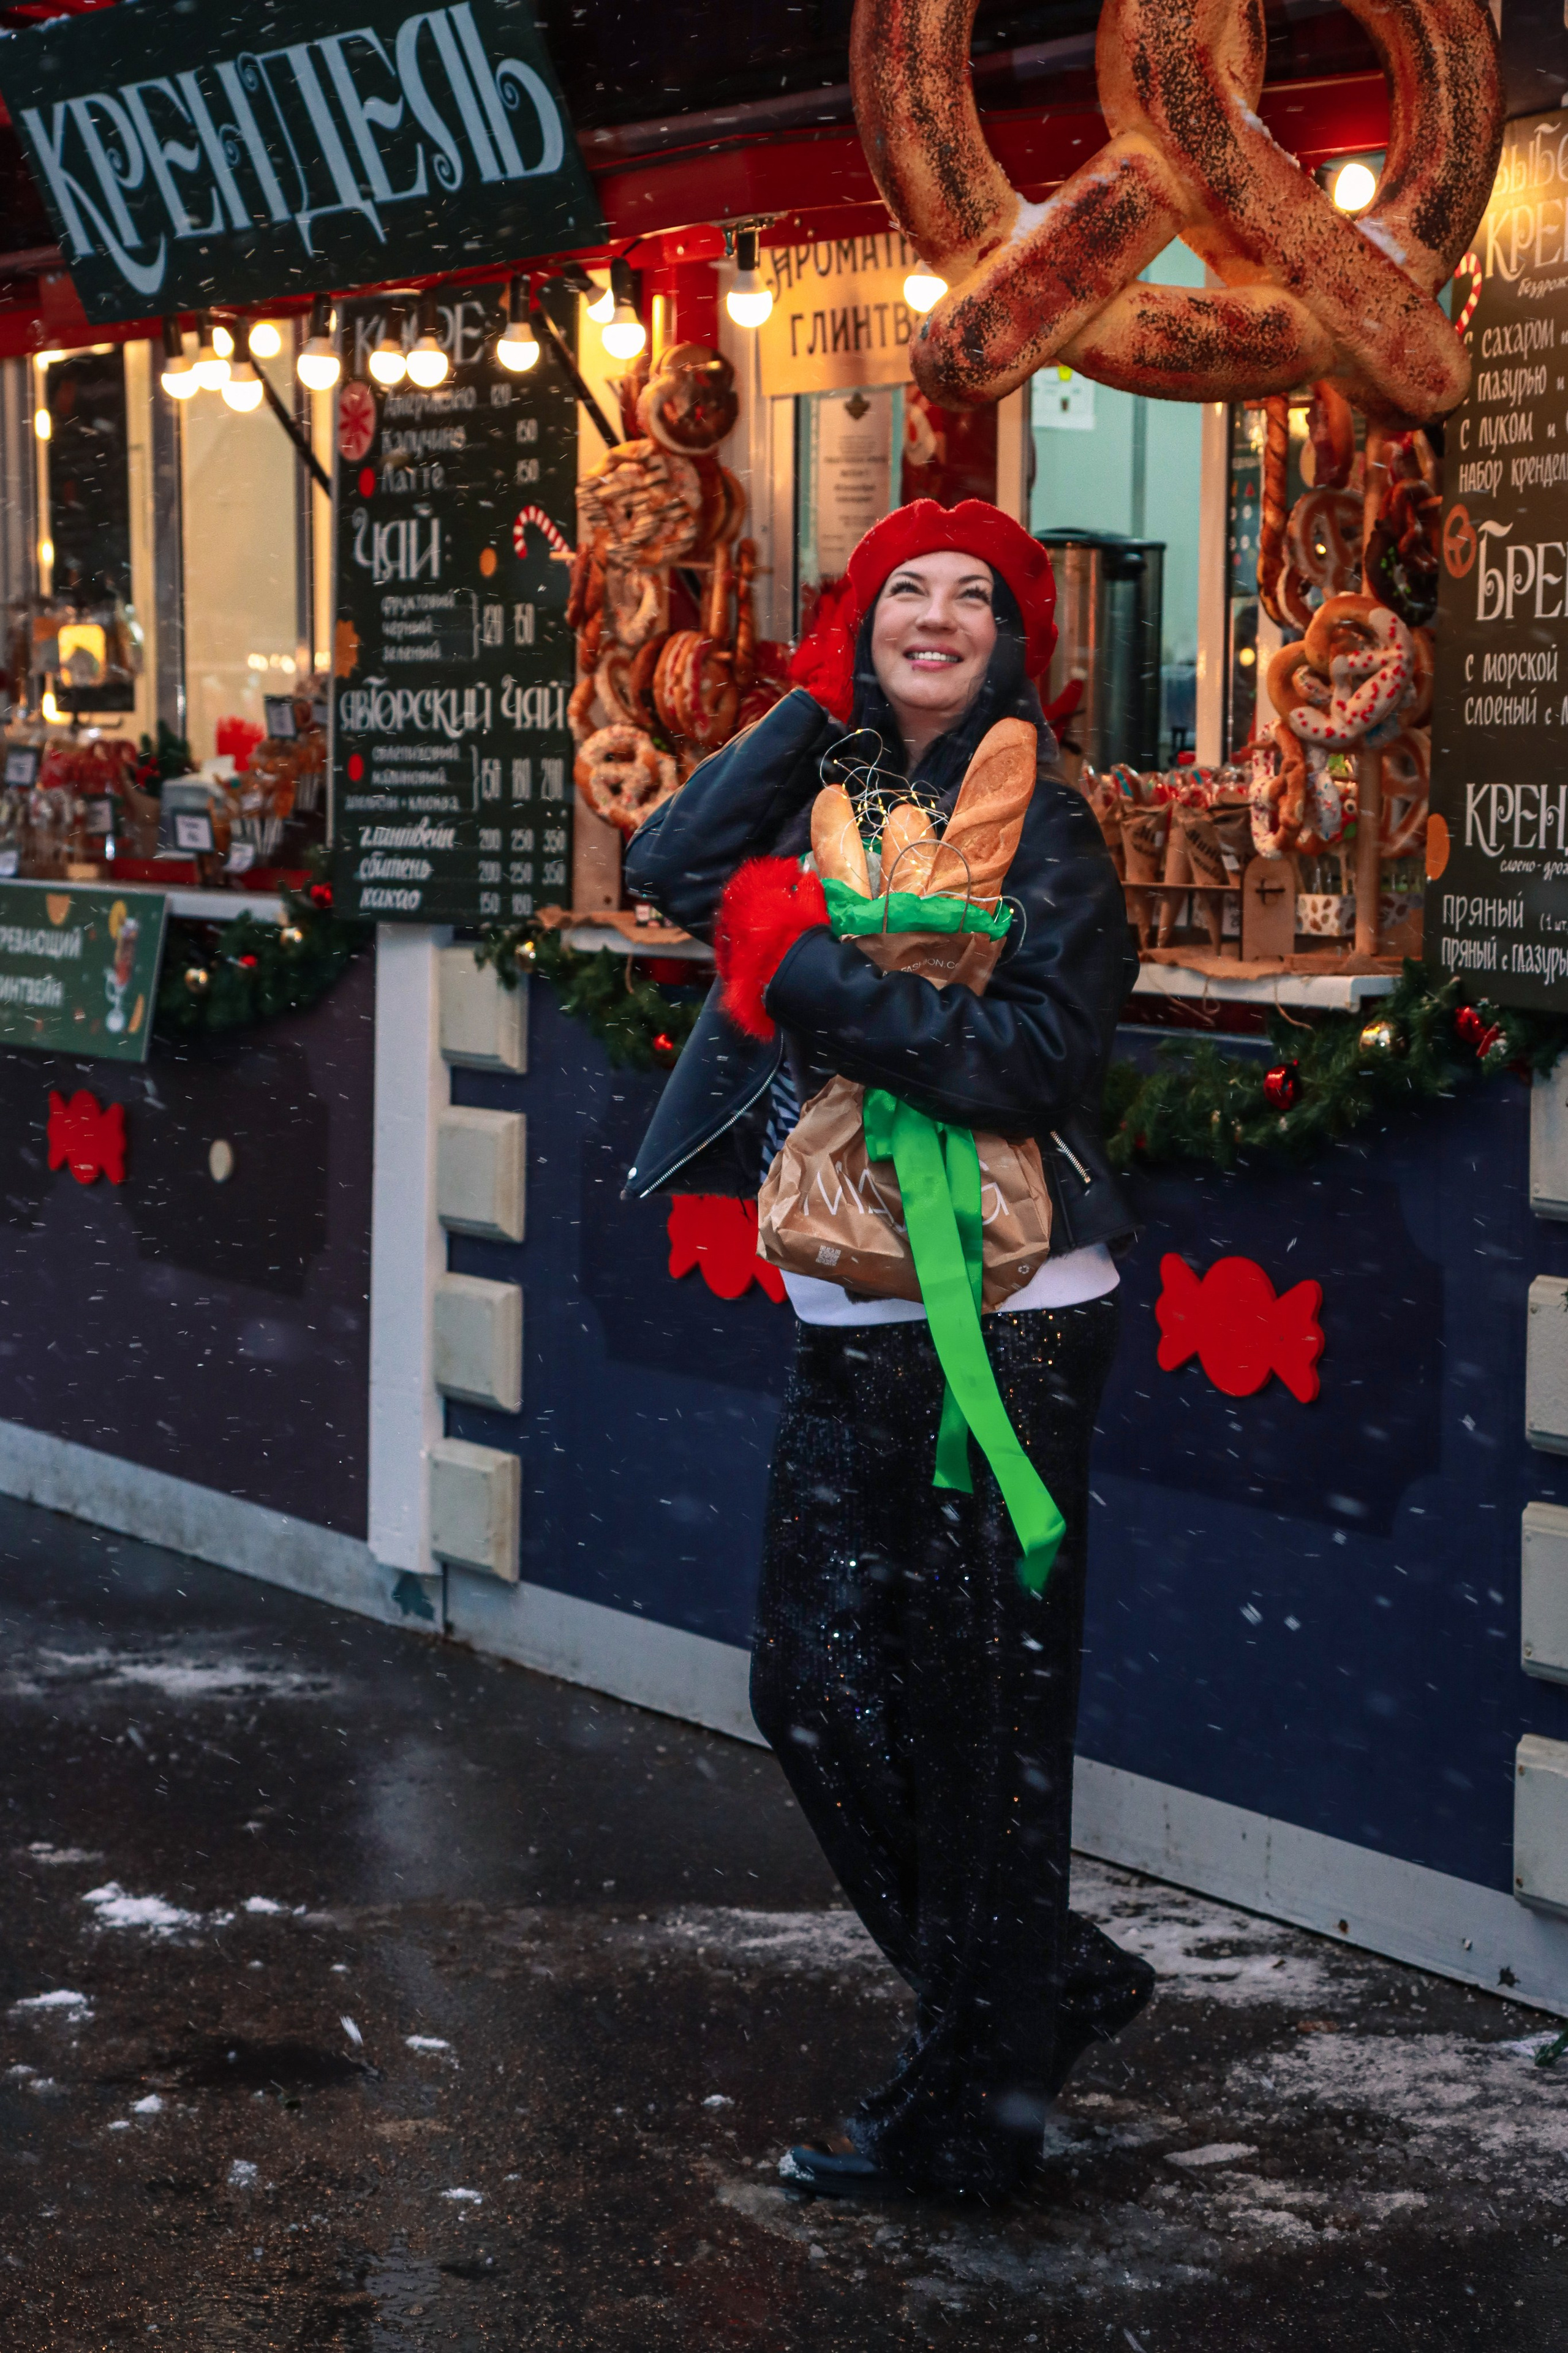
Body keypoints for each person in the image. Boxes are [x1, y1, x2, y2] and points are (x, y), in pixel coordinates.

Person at [624, 499, 1153, 2204]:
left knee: (980, 1715)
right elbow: (666, 867)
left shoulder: (1054, 828)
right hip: (847, 1308)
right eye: (899, 593)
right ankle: (1028, 1988)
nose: (935, 617)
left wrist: (817, 979)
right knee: (813, 1687)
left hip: (1008, 1323)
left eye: (969, 598)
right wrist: (803, 693)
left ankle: (968, 2112)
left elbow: (1034, 1060)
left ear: (1017, 642)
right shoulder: (823, 790)